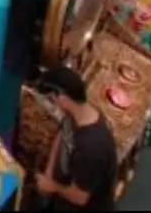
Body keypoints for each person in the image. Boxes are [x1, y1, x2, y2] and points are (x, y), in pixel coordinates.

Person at [32, 64, 119, 211]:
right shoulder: (76, 114)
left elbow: (79, 197)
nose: (54, 104)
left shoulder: (92, 148)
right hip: (63, 188)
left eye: (53, 99)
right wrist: (49, 172)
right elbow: (62, 134)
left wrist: (51, 186)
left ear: (64, 98)